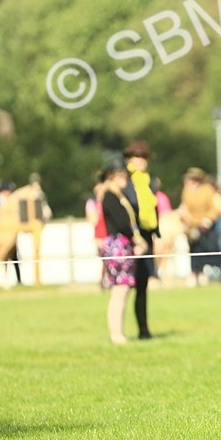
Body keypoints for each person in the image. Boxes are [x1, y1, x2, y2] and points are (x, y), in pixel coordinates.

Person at [99, 160, 148, 344]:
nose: (124, 179)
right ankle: (116, 334)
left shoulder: (118, 196)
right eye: (120, 176)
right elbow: (121, 224)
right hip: (118, 246)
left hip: (122, 244)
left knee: (123, 291)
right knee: (119, 291)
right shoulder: (110, 196)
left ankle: (118, 333)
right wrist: (137, 239)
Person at [122, 140, 160, 339]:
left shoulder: (149, 181)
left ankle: (143, 329)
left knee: (142, 285)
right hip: (129, 237)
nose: (141, 161)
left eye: (143, 157)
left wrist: (155, 233)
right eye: (137, 156)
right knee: (124, 287)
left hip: (146, 235)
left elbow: (153, 209)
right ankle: (118, 331)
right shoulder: (124, 181)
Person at [178, 167, 221, 286]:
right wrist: (191, 223)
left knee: (210, 247)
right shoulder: (186, 191)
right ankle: (196, 272)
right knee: (194, 249)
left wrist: (207, 220)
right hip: (193, 226)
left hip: (208, 225)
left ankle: (212, 272)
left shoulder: (207, 190)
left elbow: (213, 208)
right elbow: (185, 209)